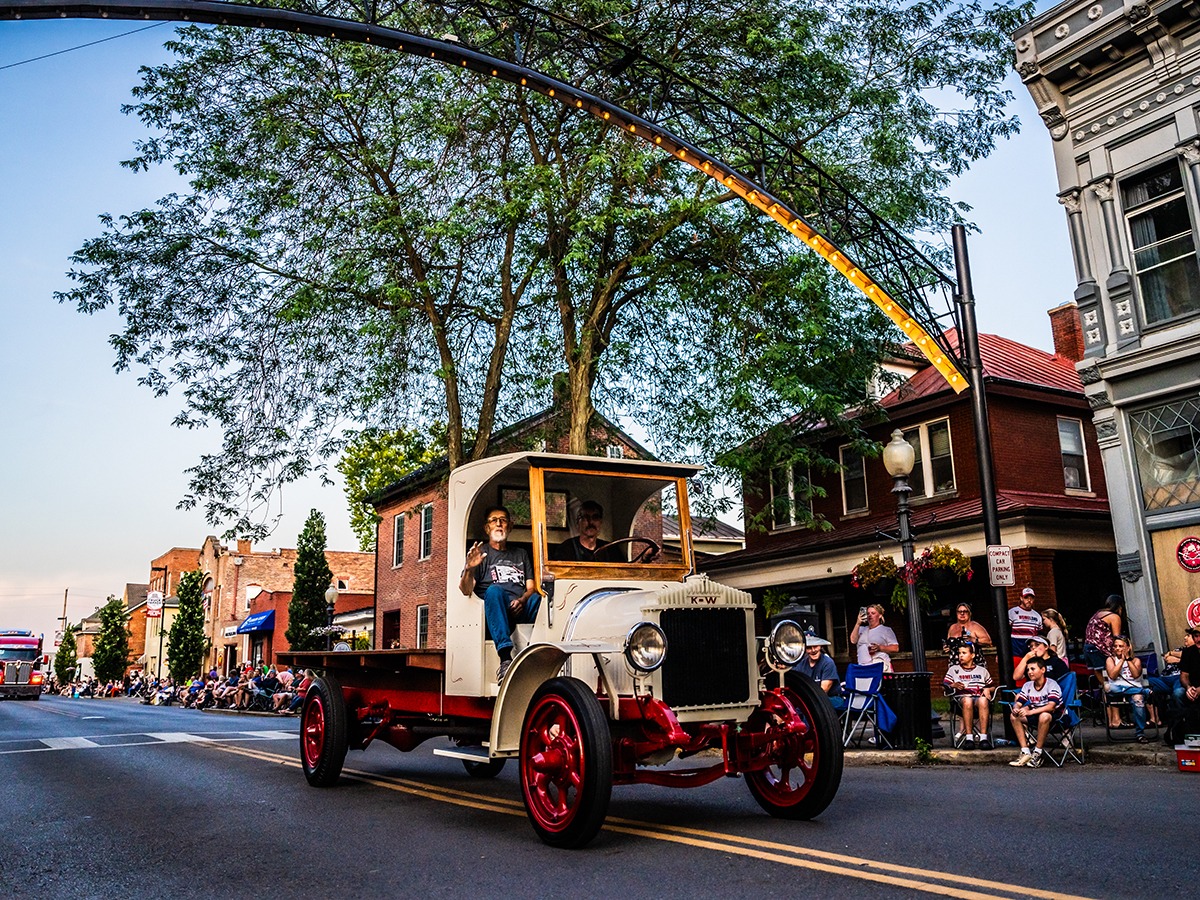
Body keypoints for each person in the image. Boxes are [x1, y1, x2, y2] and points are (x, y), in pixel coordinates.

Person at [459, 505, 541, 683]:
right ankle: (505, 659)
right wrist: (469, 568)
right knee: (494, 590)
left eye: (503, 520)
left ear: (509, 526)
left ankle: (543, 654)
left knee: (538, 598)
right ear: (487, 528)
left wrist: (522, 600)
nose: (498, 524)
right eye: (493, 521)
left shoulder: (521, 554)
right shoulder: (481, 555)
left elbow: (531, 587)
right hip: (497, 610)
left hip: (521, 606)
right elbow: (465, 589)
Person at [1008, 655, 1063, 767]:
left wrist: (1030, 712)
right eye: (1028, 670)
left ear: (1043, 670)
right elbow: (1019, 702)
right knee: (1014, 716)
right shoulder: (1027, 685)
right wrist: (1016, 708)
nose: (1029, 672)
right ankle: (1025, 752)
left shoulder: (1052, 684)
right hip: (1036, 715)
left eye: (1033, 669)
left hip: (1056, 718)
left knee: (1044, 715)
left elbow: (1051, 707)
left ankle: (1037, 753)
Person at [943, 642, 996, 749]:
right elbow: (945, 686)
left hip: (979, 699)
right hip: (960, 701)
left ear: (972, 655)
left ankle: (983, 738)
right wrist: (953, 685)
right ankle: (969, 738)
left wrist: (987, 689)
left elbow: (993, 686)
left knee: (983, 700)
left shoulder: (982, 671)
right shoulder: (953, 669)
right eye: (959, 653)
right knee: (967, 700)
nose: (960, 656)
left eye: (964, 653)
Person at [1104, 634, 1152, 742]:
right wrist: (1121, 661)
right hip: (1116, 690)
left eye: (1121, 646)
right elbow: (1112, 676)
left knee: (1139, 700)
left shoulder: (1136, 661)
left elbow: (1136, 675)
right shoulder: (1110, 660)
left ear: (1128, 647)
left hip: (1133, 688)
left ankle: (1140, 733)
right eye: (1115, 646)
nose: (1117, 648)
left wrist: (1128, 660)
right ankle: (1144, 691)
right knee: (1110, 688)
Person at [787, 636, 843, 710]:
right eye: (809, 648)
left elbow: (822, 692)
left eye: (815, 646)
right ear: (804, 649)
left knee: (809, 708)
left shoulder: (828, 663)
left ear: (820, 646)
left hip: (830, 699)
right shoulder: (801, 664)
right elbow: (794, 684)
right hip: (809, 699)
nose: (813, 650)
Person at [851, 604, 899, 672]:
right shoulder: (861, 629)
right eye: (868, 613)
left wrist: (880, 648)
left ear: (880, 615)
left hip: (878, 664)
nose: (870, 615)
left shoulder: (886, 630)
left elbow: (895, 648)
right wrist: (858, 623)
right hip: (863, 666)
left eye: (873, 613)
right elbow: (853, 640)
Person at [1083, 594, 1124, 671]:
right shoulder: (1114, 616)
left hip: (1088, 647)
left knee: (1098, 672)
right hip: (1101, 649)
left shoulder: (1098, 614)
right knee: (1109, 673)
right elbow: (1117, 637)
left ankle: (1103, 683)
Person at [1008, 587, 1043, 656]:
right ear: (1021, 598)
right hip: (1015, 650)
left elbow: (1039, 635)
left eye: (1031, 598)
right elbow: (1006, 631)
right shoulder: (1012, 612)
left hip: (1031, 651)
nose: (1029, 600)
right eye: (1026, 598)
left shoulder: (1037, 615)